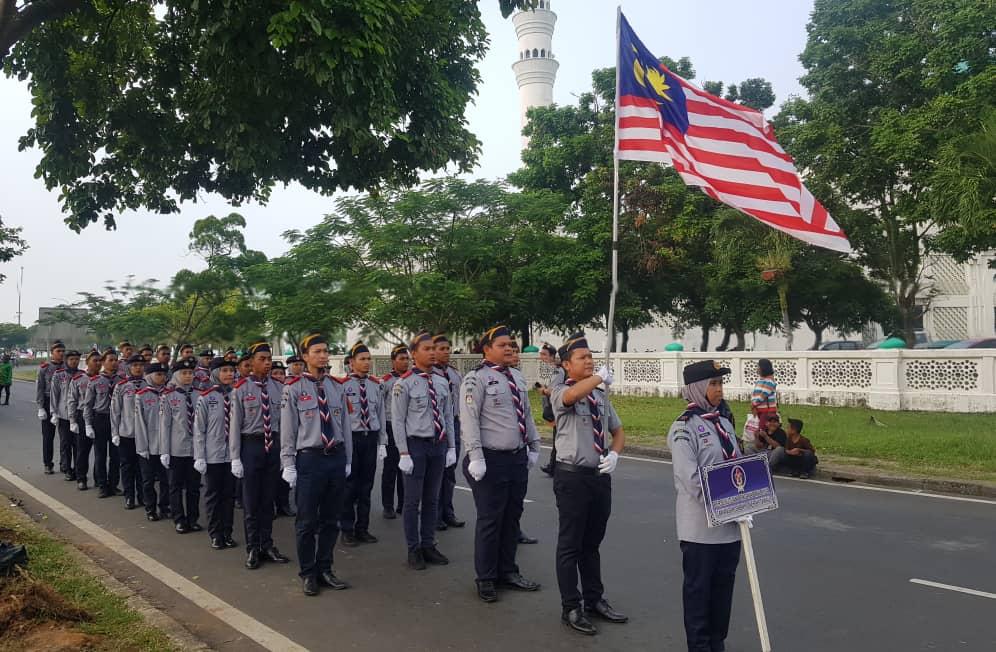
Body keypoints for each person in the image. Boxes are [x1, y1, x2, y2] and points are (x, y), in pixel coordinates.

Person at [551, 334, 628, 635]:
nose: (589, 360)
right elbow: (571, 399)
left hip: (599, 477)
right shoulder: (561, 390)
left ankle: (595, 599)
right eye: (582, 357)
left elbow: (618, 430)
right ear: (568, 364)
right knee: (570, 544)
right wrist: (597, 378)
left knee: (591, 544)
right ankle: (571, 606)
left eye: (590, 356)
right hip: (572, 478)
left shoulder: (599, 395)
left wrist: (615, 454)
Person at [461, 324, 542, 603]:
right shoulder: (476, 380)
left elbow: (527, 414)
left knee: (511, 518)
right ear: (487, 349)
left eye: (511, 344)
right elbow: (469, 420)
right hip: (490, 459)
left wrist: (533, 445)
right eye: (503, 345)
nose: (509, 348)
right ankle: (486, 577)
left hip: (516, 457)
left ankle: (508, 570)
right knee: (490, 521)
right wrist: (476, 457)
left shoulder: (517, 377)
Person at [667, 360, 743, 652]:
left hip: (731, 529)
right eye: (713, 384)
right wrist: (728, 502)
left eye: (721, 383)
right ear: (697, 388)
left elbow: (737, 468)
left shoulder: (723, 422)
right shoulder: (683, 429)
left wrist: (748, 497)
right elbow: (691, 480)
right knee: (699, 596)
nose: (719, 390)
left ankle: (717, 645)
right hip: (700, 531)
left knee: (723, 597)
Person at [280, 332, 353, 596]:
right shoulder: (294, 389)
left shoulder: (337, 386)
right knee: (307, 521)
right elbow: (288, 430)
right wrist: (288, 463)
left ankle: (325, 568)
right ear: (305, 356)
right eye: (317, 351)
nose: (323, 355)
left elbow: (345, 426)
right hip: (309, 459)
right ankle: (308, 572)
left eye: (326, 351)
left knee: (331, 520)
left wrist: (348, 461)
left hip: (335, 458)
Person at [392, 332, 455, 571]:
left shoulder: (441, 381)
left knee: (432, 498)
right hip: (416, 446)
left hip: (437, 444)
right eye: (427, 349)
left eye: (434, 348)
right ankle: (413, 548)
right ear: (414, 353)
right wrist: (403, 453)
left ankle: (429, 544)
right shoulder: (404, 383)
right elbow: (398, 421)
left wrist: (451, 447)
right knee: (412, 500)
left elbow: (448, 415)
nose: (432, 352)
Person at [229, 341, 291, 569]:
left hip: (273, 445)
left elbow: (285, 424)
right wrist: (235, 456)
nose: (267, 364)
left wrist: (286, 454)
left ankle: (267, 544)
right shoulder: (240, 389)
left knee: (268, 500)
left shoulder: (279, 388)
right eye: (262, 359)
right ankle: (253, 547)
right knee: (251, 501)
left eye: (269, 359)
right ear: (251, 362)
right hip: (251, 446)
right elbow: (234, 426)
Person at [338, 342, 386, 546]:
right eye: (362, 359)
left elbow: (381, 414)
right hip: (351, 440)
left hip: (370, 438)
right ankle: (347, 530)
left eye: (369, 359)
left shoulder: (376, 385)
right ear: (351, 362)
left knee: (366, 486)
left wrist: (382, 441)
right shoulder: (341, 386)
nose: (367, 363)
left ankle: (362, 528)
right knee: (349, 487)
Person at [194, 357, 238, 550]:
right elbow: (199, 429)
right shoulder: (206, 397)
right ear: (214, 374)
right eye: (225, 370)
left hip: (233, 455)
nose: (229, 374)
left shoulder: (238, 395)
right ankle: (215, 533)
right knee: (213, 495)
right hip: (212, 455)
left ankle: (227, 532)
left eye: (231, 370)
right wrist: (200, 456)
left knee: (229, 496)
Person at [160, 357, 203, 534]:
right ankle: (179, 518)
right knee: (175, 486)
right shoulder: (169, 397)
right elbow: (165, 425)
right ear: (176, 375)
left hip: (195, 449)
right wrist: (164, 451)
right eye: (184, 373)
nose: (188, 376)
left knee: (194, 487)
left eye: (190, 373)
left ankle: (193, 519)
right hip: (176, 449)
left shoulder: (200, 395)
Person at [433, 333, 465, 531]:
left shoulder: (454, 374)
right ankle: (435, 515)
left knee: (450, 472)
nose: (446, 352)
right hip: (437, 426)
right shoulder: (428, 375)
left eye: (448, 348)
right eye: (442, 349)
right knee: (437, 474)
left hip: (453, 423)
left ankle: (448, 512)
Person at [135, 362, 170, 521]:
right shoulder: (141, 395)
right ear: (149, 376)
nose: (162, 378)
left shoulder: (170, 394)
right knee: (148, 480)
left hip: (166, 445)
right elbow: (140, 423)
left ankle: (165, 507)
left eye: (164, 375)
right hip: (149, 444)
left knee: (166, 479)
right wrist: (142, 447)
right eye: (158, 375)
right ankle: (150, 508)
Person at [112, 354, 147, 509]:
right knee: (127, 466)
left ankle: (142, 496)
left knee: (143, 468)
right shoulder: (122, 386)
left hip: (145, 435)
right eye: (135, 365)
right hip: (127, 433)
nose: (138, 368)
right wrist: (115, 432)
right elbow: (115, 411)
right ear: (129, 367)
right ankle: (129, 496)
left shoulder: (149, 385)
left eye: (140, 365)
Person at [84, 349, 120, 498]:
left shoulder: (122, 381)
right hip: (101, 419)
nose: (114, 362)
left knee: (116, 455)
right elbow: (88, 404)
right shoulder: (95, 381)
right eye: (110, 360)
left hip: (117, 420)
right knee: (100, 454)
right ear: (103, 362)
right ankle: (102, 485)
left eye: (115, 360)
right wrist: (88, 424)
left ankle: (113, 484)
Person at [380, 344, 409, 519]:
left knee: (405, 469)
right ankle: (388, 506)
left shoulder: (412, 379)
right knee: (391, 468)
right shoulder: (386, 381)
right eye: (401, 359)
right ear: (393, 361)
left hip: (407, 428)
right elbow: (380, 408)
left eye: (407, 359)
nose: (405, 362)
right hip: (391, 427)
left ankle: (403, 504)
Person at [69, 351, 101, 490]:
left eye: (100, 360)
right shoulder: (78, 379)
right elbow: (71, 400)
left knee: (100, 451)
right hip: (82, 416)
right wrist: (72, 420)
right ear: (87, 362)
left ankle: (99, 479)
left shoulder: (104, 380)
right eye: (95, 360)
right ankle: (81, 478)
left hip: (99, 416)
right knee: (83, 450)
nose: (98, 363)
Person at [51, 349, 83, 482]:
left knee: (78, 445)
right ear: (66, 361)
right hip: (64, 415)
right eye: (71, 359)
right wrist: (54, 413)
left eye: (76, 359)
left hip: (78, 415)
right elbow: (54, 395)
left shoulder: (83, 375)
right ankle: (67, 469)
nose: (74, 361)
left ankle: (78, 469)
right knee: (66, 444)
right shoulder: (59, 375)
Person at [36, 340, 66, 475]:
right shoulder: (45, 368)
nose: (61, 354)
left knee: (66, 437)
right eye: (58, 351)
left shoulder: (67, 367)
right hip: (48, 402)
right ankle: (48, 463)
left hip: (64, 403)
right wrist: (41, 407)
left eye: (63, 351)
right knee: (48, 436)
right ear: (52, 353)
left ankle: (64, 463)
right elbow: (40, 388)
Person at [269, 359, 295, 518]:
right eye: (275, 373)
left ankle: (283, 504)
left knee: (285, 470)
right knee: (272, 474)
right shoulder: (266, 389)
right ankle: (270, 505)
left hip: (287, 436)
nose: (279, 376)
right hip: (272, 435)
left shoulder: (290, 389)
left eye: (281, 373)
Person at [540, 344, 569, 477]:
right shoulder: (554, 369)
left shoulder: (558, 370)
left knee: (558, 437)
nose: (542, 357)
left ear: (552, 356)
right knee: (557, 436)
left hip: (556, 407)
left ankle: (554, 466)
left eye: (544, 354)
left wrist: (544, 390)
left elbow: (554, 391)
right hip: (553, 406)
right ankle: (554, 466)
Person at [750, 359, 778, 428]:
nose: (757, 368)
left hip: (767, 411)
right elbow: (754, 394)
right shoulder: (760, 381)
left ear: (763, 368)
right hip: (759, 410)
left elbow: (763, 395)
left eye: (758, 366)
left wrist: (753, 404)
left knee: (762, 428)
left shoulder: (769, 382)